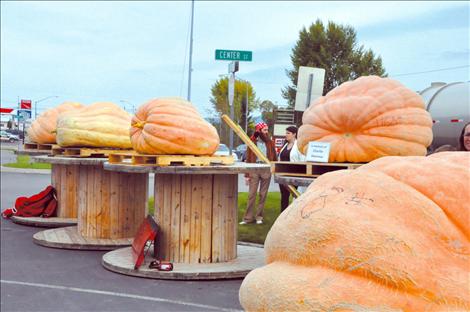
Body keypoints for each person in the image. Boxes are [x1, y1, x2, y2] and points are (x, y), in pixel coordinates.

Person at [240, 121, 277, 225]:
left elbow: (274, 157)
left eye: (267, 130)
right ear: (259, 130)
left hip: (266, 169)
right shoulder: (252, 142)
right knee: (251, 194)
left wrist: (273, 169)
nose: (267, 132)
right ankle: (248, 218)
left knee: (263, 194)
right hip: (254, 169)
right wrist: (247, 175)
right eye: (264, 130)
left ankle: (259, 217)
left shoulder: (270, 142)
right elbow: (248, 158)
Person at [277, 126, 304, 212]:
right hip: (283, 176)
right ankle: (282, 215)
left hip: (294, 176)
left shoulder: (298, 145)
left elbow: (302, 160)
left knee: (296, 197)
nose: (286, 135)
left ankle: (294, 214)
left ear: (294, 134)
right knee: (284, 197)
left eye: (288, 133)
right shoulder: (285, 145)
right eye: (286, 133)